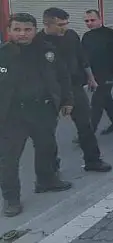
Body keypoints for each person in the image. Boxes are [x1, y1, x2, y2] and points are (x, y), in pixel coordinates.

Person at [0, 13, 74, 217]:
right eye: (17, 29)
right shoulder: (2, 54)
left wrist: (67, 100)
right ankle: (11, 199)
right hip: (12, 116)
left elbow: (63, 76)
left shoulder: (47, 51)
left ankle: (46, 181)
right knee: (9, 160)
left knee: (46, 148)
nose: (22, 33)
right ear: (9, 31)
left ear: (34, 30)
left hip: (43, 110)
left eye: (27, 29)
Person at [37, 8, 112, 174]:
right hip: (50, 91)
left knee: (85, 125)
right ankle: (51, 169)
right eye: (59, 25)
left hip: (74, 87)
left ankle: (93, 161)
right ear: (47, 24)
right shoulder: (38, 42)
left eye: (66, 23)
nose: (64, 28)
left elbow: (81, 57)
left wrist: (91, 78)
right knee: (46, 132)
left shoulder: (71, 35)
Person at [82, 9, 113, 135]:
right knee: (106, 98)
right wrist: (88, 76)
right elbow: (84, 57)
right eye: (87, 21)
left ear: (100, 19)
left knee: (97, 101)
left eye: (92, 20)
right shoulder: (87, 37)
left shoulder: (111, 34)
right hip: (95, 72)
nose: (89, 23)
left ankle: (88, 133)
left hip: (110, 71)